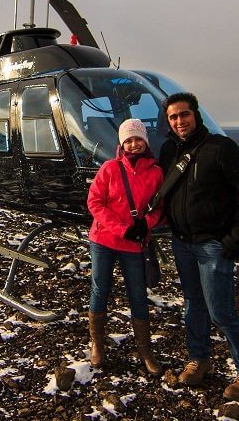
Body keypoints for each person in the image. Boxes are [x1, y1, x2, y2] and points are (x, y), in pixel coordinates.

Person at [158, 92, 239, 402]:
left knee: (222, 311)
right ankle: (198, 359)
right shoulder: (168, 151)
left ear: (196, 115)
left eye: (184, 115)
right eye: (174, 117)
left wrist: (234, 241)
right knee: (193, 304)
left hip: (213, 245)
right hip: (182, 243)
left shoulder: (221, 148)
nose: (180, 121)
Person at [86, 118, 164, 376]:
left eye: (138, 139)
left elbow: (159, 208)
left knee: (138, 295)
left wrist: (147, 224)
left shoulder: (156, 173)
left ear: (145, 142)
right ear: (121, 143)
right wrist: (123, 229)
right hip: (104, 241)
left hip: (134, 245)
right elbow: (95, 203)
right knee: (100, 289)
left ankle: (145, 349)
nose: (133, 144)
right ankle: (97, 342)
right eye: (128, 140)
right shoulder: (109, 168)